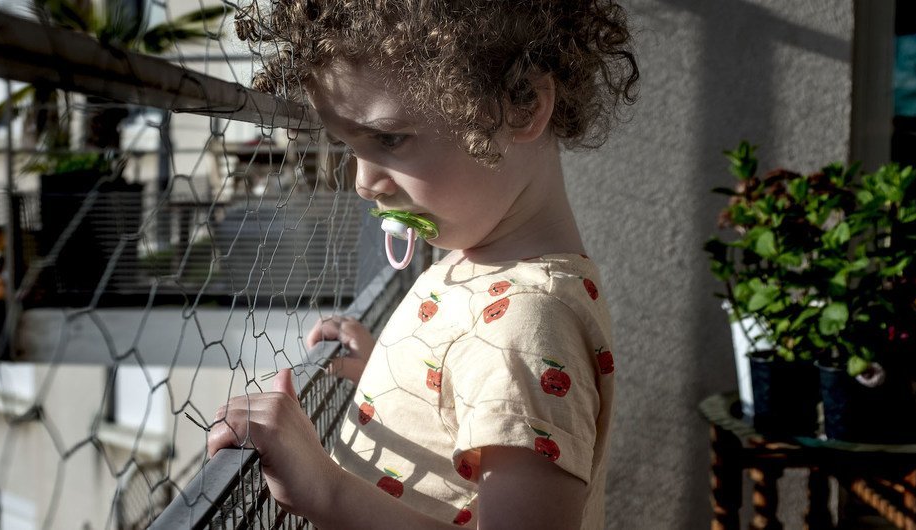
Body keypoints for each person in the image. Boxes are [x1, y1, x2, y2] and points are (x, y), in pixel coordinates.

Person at [207, 1, 638, 528]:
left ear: (521, 104)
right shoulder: (483, 269)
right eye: (348, 145)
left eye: (389, 138)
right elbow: (478, 399)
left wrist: (324, 490)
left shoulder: (528, 326)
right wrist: (400, 376)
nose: (364, 181)